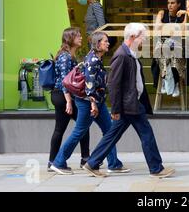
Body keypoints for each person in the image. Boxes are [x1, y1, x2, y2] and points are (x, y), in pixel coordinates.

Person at [82, 23, 175, 178]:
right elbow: (114, 84)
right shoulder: (122, 55)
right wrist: (116, 109)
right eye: (142, 37)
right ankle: (156, 168)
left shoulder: (129, 54)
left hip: (130, 103)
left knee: (112, 135)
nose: (144, 40)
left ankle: (92, 163)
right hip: (129, 105)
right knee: (146, 134)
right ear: (133, 37)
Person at [50, 32, 129, 175]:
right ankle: (59, 162)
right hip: (88, 103)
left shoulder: (96, 58)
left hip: (97, 102)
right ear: (98, 44)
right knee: (79, 132)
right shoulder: (92, 60)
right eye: (105, 41)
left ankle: (113, 163)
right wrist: (93, 104)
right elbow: (89, 85)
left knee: (109, 131)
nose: (108, 43)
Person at [48, 27, 90, 172]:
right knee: (81, 125)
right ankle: (84, 160)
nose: (81, 38)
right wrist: (69, 102)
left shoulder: (69, 55)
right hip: (63, 96)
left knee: (61, 129)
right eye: (78, 36)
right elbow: (65, 81)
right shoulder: (65, 57)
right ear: (70, 39)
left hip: (62, 95)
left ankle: (52, 161)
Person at [152, 0, 189, 97]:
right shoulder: (162, 13)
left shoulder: (183, 15)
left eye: (173, 3)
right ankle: (174, 83)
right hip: (163, 46)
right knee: (166, 50)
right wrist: (175, 27)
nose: (170, 5)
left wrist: (187, 13)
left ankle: (167, 81)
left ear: (179, 4)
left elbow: (183, 30)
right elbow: (157, 28)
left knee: (171, 53)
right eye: (168, 3)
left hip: (177, 48)